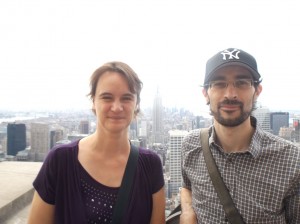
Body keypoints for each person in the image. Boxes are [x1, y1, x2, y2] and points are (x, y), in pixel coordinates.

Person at [28, 61, 165, 224]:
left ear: (137, 104)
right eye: (107, 97)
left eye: (126, 98)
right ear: (93, 101)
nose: (116, 107)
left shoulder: (150, 165)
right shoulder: (60, 161)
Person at [180, 48, 300, 223]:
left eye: (242, 83)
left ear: (257, 91)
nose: (230, 94)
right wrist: (187, 212)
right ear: (206, 93)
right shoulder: (191, 144)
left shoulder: (290, 159)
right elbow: (187, 186)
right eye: (219, 84)